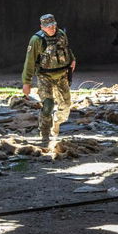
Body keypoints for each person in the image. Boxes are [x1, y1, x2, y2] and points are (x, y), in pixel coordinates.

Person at [21, 14, 76, 147]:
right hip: (45, 76)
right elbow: (29, 62)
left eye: (53, 25)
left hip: (62, 75)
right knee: (48, 105)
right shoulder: (36, 40)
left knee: (66, 106)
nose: (51, 28)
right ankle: (44, 133)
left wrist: (73, 60)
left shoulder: (61, 34)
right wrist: (26, 82)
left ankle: (56, 122)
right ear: (42, 27)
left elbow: (67, 49)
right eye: (48, 26)